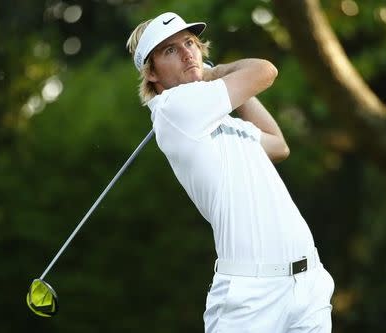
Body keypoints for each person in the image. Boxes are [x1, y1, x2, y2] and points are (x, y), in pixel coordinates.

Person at [126, 12, 335, 333]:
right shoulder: (174, 109)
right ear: (151, 74)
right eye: (170, 50)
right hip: (250, 294)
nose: (186, 54)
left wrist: (225, 89)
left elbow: (278, 146)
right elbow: (265, 70)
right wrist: (216, 74)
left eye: (190, 43)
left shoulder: (222, 122)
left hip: (308, 283)